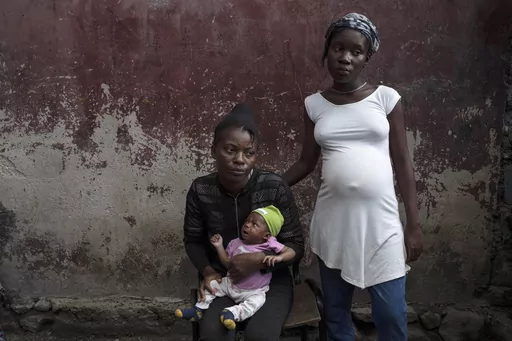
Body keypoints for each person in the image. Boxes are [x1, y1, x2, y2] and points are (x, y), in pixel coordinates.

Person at [283, 13, 424, 341]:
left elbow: (403, 163)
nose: (345, 57)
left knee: (390, 314)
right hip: (333, 224)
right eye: (338, 48)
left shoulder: (386, 99)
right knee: (336, 315)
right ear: (327, 50)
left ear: (367, 58)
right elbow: (306, 162)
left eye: (356, 52)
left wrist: (413, 225)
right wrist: (267, 183)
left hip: (382, 226)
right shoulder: (314, 105)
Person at [183, 103, 304, 341]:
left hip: (270, 282)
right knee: (214, 334)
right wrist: (208, 272)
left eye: (249, 153)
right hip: (225, 279)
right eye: (230, 150)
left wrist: (259, 260)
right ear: (213, 149)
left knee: (260, 336)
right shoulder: (201, 190)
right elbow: (193, 240)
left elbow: (296, 245)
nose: (240, 160)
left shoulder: (274, 187)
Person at [176, 205, 296, 330]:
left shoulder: (269, 244)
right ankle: (198, 309)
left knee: (256, 302)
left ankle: (232, 313)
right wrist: (219, 246)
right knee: (211, 284)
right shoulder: (235, 243)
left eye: (254, 224)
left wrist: (279, 257)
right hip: (230, 284)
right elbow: (227, 263)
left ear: (266, 236)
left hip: (253, 291)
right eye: (247, 221)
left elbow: (291, 252)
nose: (247, 225)